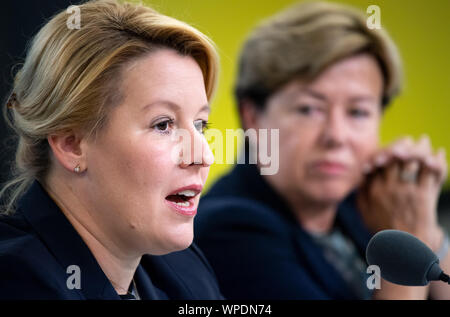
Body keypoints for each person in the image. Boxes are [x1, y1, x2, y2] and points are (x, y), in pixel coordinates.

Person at [195, 1, 449, 299]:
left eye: (358, 112)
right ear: (252, 116)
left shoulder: (364, 203)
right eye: (309, 109)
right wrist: (409, 239)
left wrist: (425, 225)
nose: (336, 136)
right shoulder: (228, 231)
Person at [0, 0, 223, 300]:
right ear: (71, 143)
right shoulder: (16, 282)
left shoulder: (183, 267)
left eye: (200, 125)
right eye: (163, 125)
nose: (203, 156)